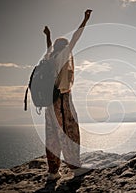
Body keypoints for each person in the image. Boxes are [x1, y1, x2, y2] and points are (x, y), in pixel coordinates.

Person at [42, 9, 92, 181]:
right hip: (62, 100)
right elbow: (76, 38)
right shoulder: (63, 55)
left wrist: (48, 36)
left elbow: (48, 47)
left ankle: (53, 172)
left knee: (52, 134)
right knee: (69, 131)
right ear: (64, 47)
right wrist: (85, 20)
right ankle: (75, 167)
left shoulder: (50, 56)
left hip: (49, 102)